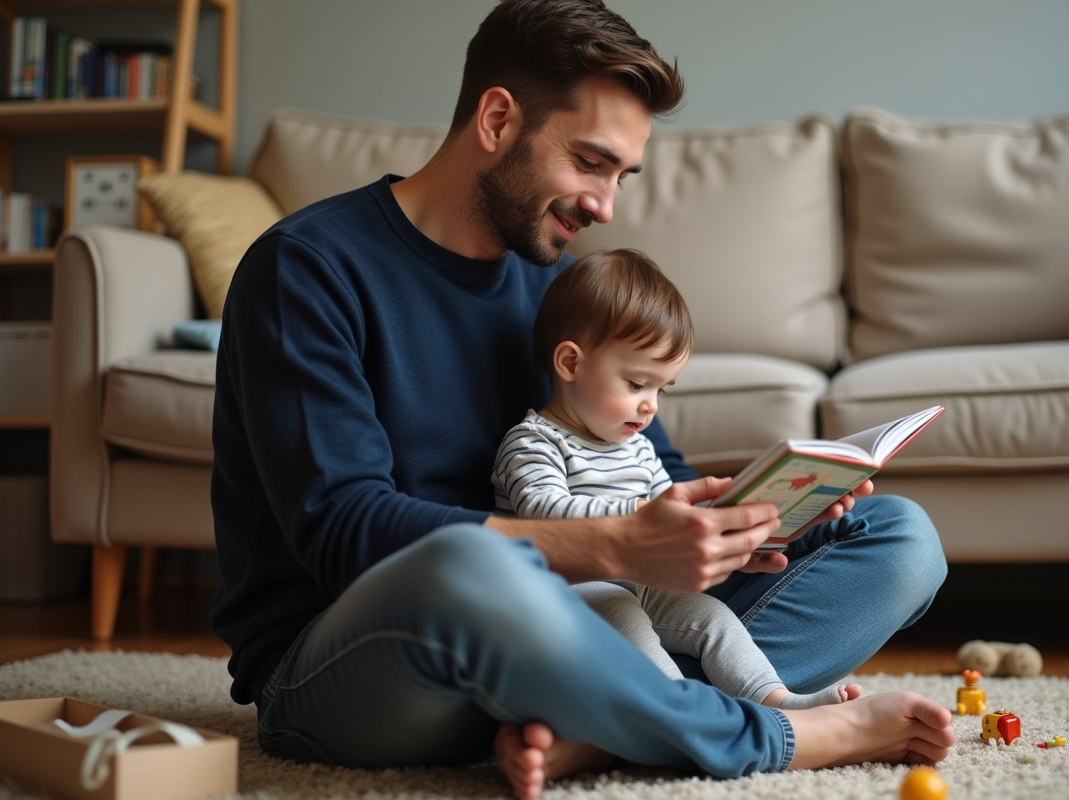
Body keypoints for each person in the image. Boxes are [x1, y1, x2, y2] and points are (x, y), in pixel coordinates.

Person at [209, 1, 954, 798]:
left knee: (899, 536)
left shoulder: (563, 287)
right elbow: (343, 532)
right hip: (356, 661)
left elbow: (648, 470)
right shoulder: (308, 269)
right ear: (497, 120)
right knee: (467, 567)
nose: (606, 205)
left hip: (585, 622)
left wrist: (742, 522)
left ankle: (601, 731)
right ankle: (762, 733)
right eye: (591, 162)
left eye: (622, 175)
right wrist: (622, 545)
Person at [491, 248, 862, 712]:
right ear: (570, 364)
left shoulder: (639, 447)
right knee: (624, 617)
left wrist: (727, 535)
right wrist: (644, 519)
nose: (651, 406)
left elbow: (673, 509)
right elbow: (544, 517)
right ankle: (680, 712)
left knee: (714, 618)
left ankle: (778, 700)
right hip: (568, 590)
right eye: (636, 384)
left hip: (645, 580)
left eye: (661, 389)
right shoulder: (533, 442)